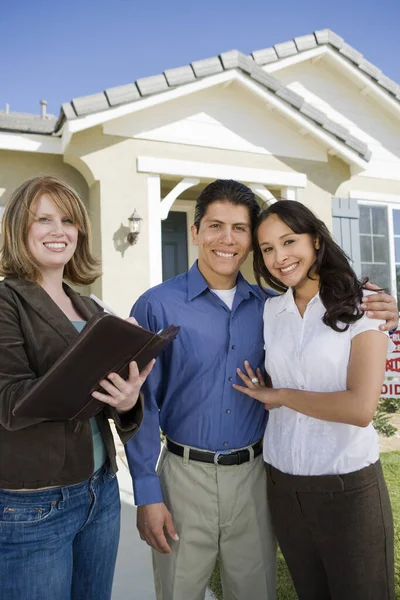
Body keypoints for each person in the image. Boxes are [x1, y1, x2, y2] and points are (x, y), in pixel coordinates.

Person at [125, 180, 398, 600]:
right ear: (195, 232)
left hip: (257, 478)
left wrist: (384, 308)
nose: (227, 239)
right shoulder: (157, 305)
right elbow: (141, 402)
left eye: (240, 228)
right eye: (215, 225)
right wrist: (146, 492)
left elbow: (340, 356)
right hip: (183, 477)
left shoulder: (268, 306)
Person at [0, 175, 153, 600]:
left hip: (99, 490)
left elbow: (108, 404)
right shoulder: (5, 302)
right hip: (33, 504)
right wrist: (94, 361)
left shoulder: (91, 306)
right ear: (19, 229)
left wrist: (127, 398)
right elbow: (10, 403)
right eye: (43, 219)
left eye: (68, 220)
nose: (58, 230)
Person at [234, 200, 395, 600]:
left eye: (289, 241)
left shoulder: (364, 305)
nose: (279, 257)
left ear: (316, 240)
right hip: (284, 486)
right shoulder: (271, 311)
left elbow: (360, 409)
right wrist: (265, 389)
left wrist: (282, 395)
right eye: (267, 248)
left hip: (348, 489)